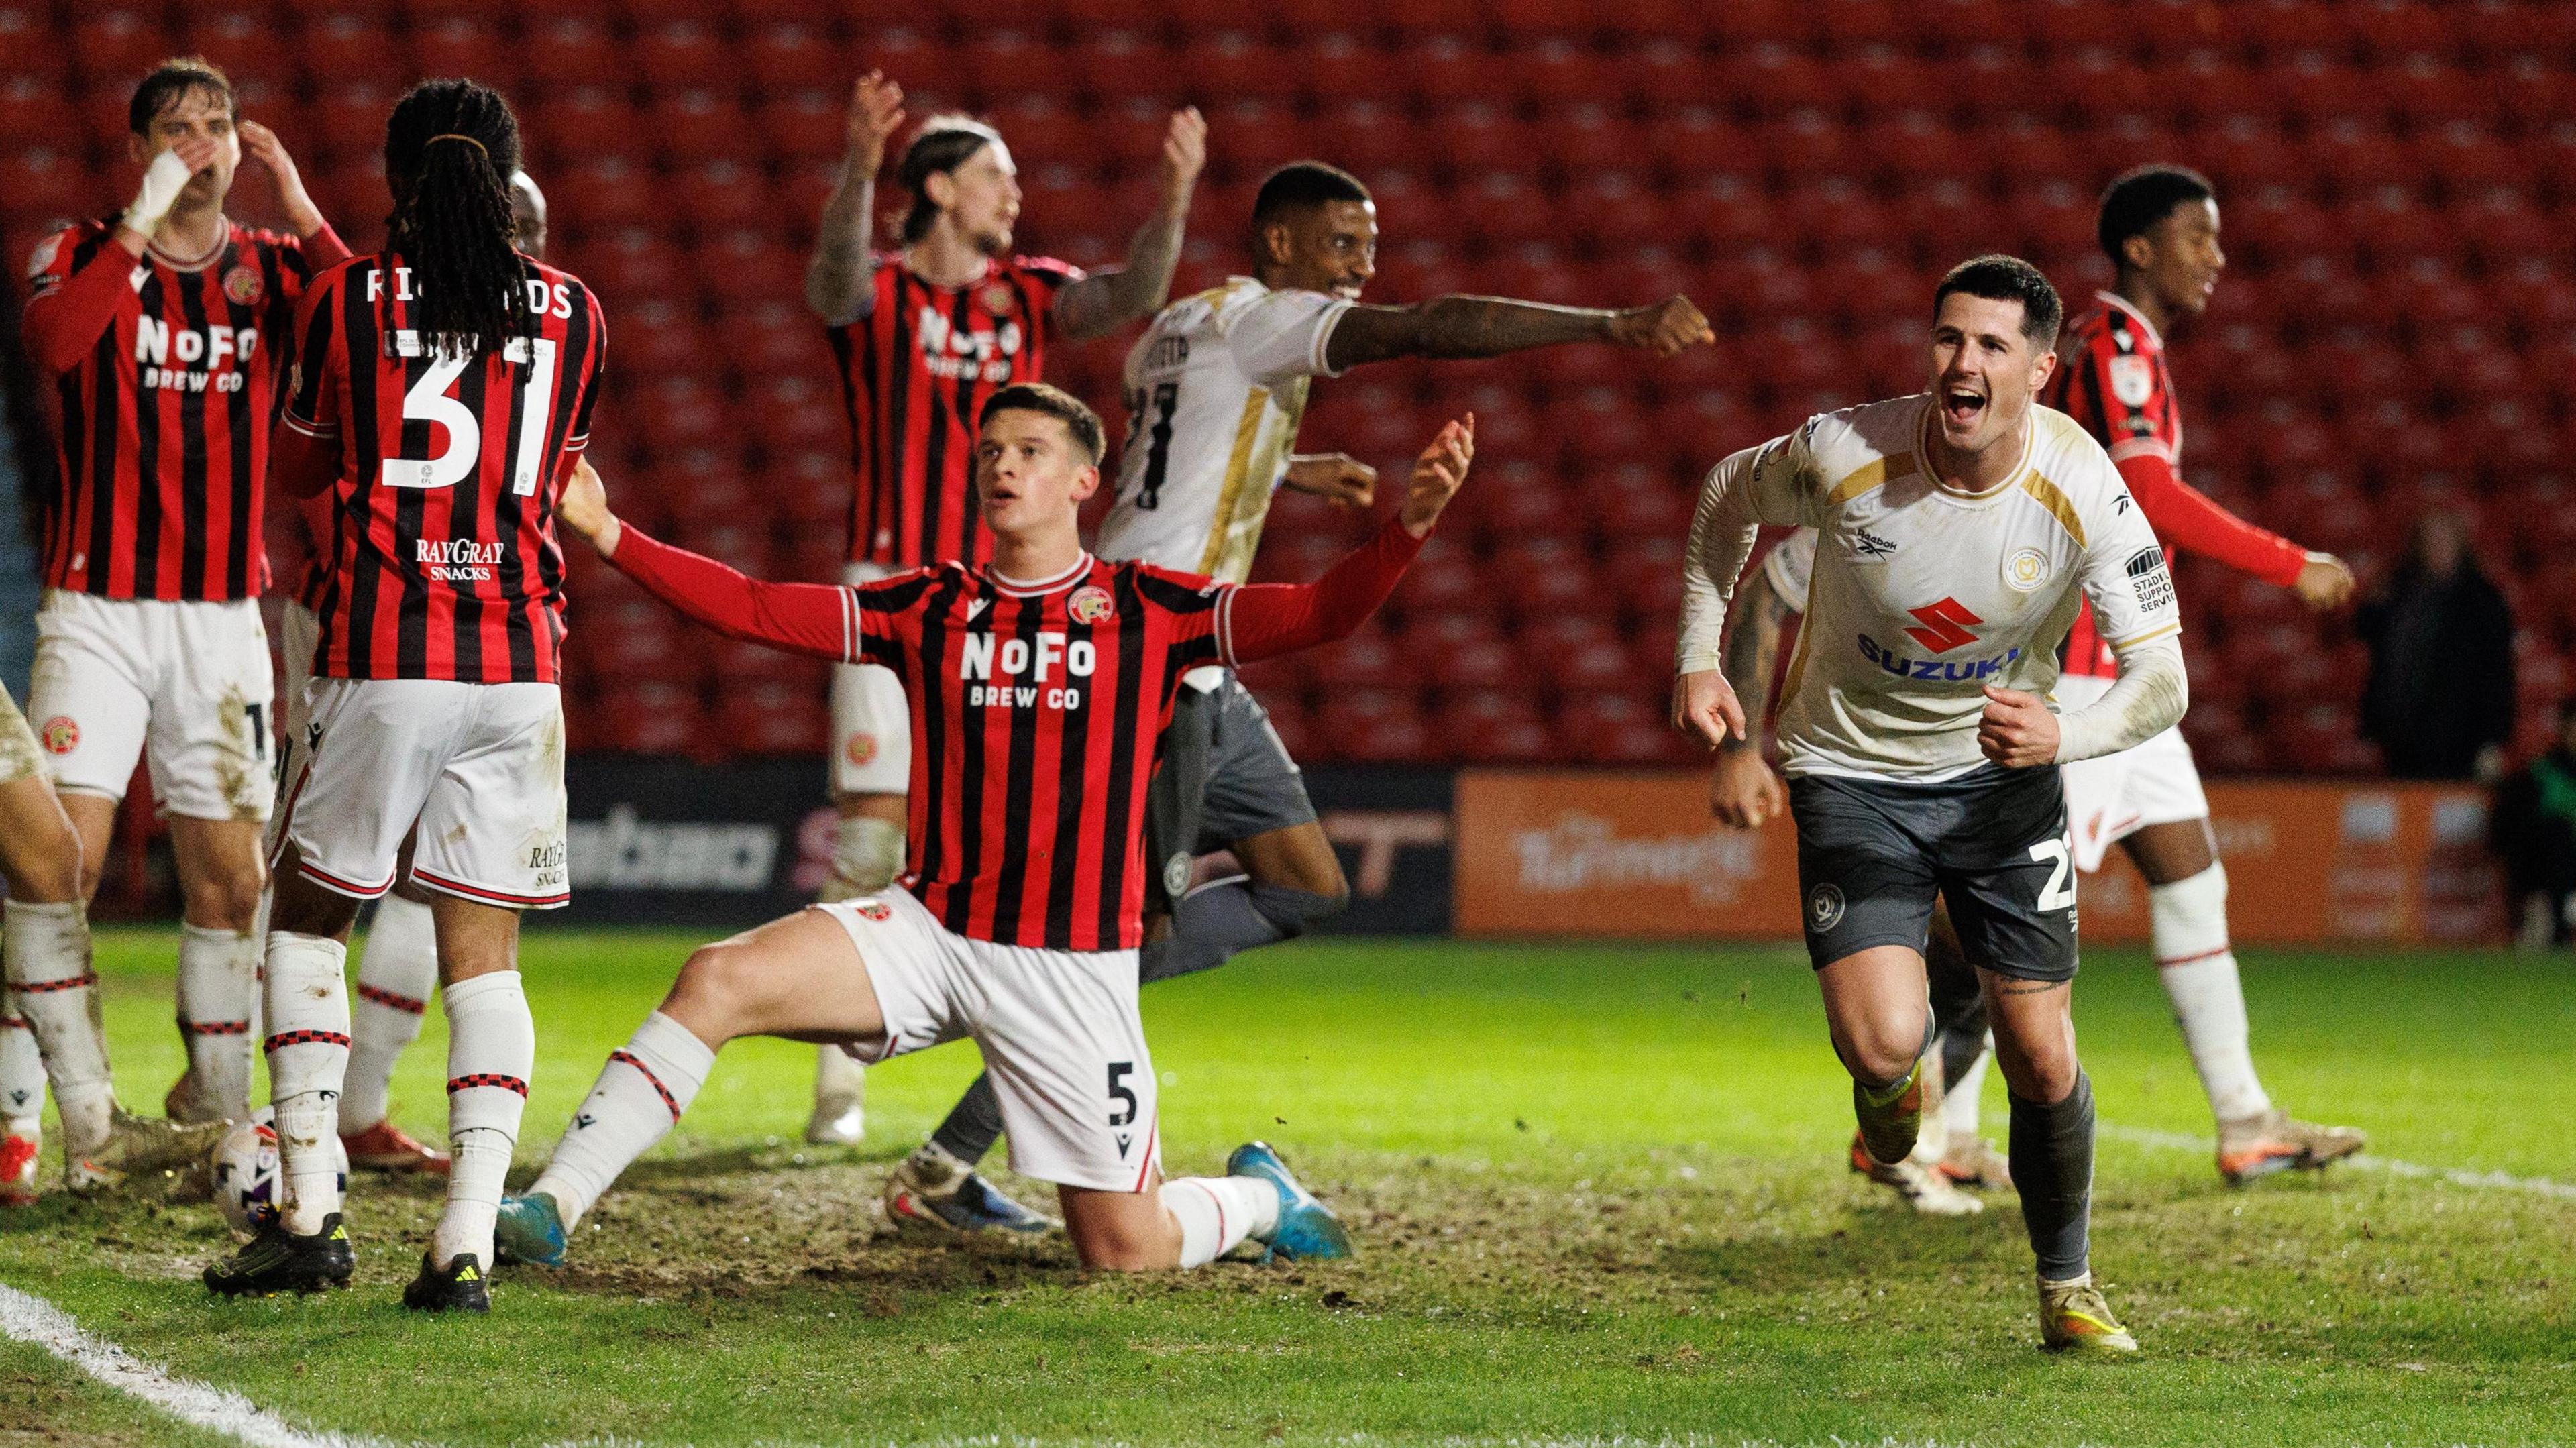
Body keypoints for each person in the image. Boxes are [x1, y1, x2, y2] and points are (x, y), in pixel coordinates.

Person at [882, 159, 1715, 1233]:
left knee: (1306, 883)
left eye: (1368, 249)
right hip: (1157, 671)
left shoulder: (1176, 326)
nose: (1361, 270)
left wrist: (1289, 465)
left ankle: (1052, 983)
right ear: (1278, 246)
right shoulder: (1273, 320)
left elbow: (1162, 464)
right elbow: (1433, 325)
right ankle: (948, 1156)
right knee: (1114, 938)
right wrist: (1610, 323)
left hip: (1197, 666)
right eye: (1340, 246)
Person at [490, 385, 1474, 1276]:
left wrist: (1409, 525)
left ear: (1086, 480)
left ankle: (1264, 1194)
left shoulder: (1149, 608)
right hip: (933, 931)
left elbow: (1320, 613)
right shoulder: (932, 604)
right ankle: (550, 1203)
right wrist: (610, 532)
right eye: (993, 449)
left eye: (1032, 451)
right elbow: (753, 608)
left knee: (1125, 1250)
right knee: (716, 976)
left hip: (1074, 967)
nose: (1004, 465)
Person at [1674, 256, 2189, 1353]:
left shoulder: (2085, 485)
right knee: (1882, 1045)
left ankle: (2069, 1283)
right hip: (1853, 779)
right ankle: (1886, 1096)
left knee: (2042, 1052)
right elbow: (1725, 496)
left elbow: (2165, 675)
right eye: (1949, 338)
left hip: (2004, 788)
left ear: (2040, 372)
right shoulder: (1844, 451)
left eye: (1993, 346)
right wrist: (1698, 656)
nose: (1963, 362)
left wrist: (2069, 732)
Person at [200, 79, 607, 1312]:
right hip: (520, 663)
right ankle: (465, 1242)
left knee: (307, 921)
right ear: (508, 173)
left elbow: (305, 467)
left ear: (396, 180)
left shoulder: (348, 299)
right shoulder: (578, 313)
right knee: (486, 961)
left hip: (387, 647)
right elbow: (557, 475)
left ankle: (312, 1213)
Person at [797, 75, 1208, 1147]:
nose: (1013, 197)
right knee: (874, 840)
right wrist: (856, 161)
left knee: (1005, 854)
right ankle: (839, 1090)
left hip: (999, 607)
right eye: (995, 177)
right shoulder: (880, 294)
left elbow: (1134, 291)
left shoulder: (1028, 293)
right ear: (937, 185)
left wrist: (1174, 196)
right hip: (889, 595)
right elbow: (830, 279)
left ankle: (1023, 1068)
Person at [15, 56, 344, 1180]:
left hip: (218, 623)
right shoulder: (79, 251)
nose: (204, 143)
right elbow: (58, 346)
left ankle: (211, 1109)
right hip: (97, 613)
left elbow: (365, 336)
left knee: (234, 879)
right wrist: (146, 217)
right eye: (177, 128)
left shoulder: (268, 269)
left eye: (219, 124)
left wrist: (300, 205)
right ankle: (45, 1123)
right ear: (137, 148)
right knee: (57, 862)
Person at [2040, 164, 2365, 1181]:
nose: (2216, 256)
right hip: (2081, 669)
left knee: (2189, 873)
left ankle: (2246, 1121)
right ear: (2139, 248)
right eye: (2198, 236)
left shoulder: (2117, 347)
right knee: (2011, 908)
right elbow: (2148, 492)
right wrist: (2288, 560)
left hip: (2124, 669)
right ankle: (1936, 1128)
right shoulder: (2121, 345)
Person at [256, 167, 549, 1178]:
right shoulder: (566, 334)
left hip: (397, 636)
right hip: (387, 628)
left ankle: (334, 1121)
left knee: (392, 887)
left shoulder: (370, 313)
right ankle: (284, 1111)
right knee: (331, 880)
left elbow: (297, 456)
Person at [1710, 539, 2004, 1217]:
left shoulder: (2038, 502)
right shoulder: (1867, 507)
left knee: (1993, 949)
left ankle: (1924, 1135)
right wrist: (1740, 748)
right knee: (1902, 1001)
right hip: (1859, 779)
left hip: (1974, 765)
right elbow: (1762, 595)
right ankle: (1909, 1137)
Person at [2357, 510, 2516, 781]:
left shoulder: (2483, 601)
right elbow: (2368, 636)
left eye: (2445, 542)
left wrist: (2493, 738)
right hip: (2402, 733)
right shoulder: (2400, 592)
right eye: (2430, 542)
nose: (2437, 550)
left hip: (2461, 734)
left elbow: (2498, 673)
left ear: (2461, 546)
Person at [2490, 695, 2576, 948]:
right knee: (2556, 833)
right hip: (2552, 876)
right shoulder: (2539, 775)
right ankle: (2554, 923)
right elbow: (2506, 832)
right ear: (2564, 730)